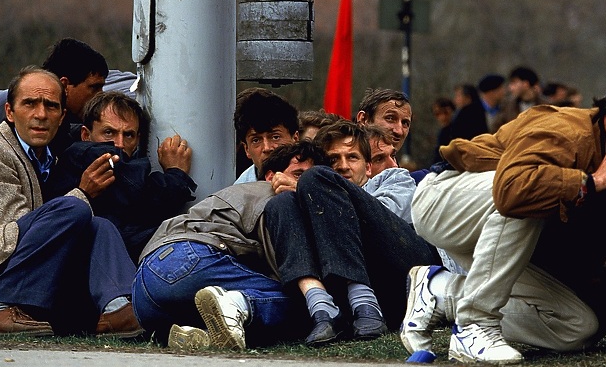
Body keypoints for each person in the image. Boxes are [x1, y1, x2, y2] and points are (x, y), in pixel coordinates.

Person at [401, 69, 606, 365]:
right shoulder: (567, 130)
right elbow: (512, 191)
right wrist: (593, 182)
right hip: (445, 201)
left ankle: (439, 291)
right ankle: (475, 325)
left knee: (579, 326)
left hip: (502, 235)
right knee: (531, 194)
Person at [0, 67, 141, 338]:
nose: (41, 114)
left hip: (14, 278)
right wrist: (83, 192)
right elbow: (19, 229)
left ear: (62, 116)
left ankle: (119, 308)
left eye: (51, 106)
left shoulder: (47, 157)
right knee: (76, 208)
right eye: (30, 103)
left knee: (98, 225)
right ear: (10, 112)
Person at [131, 141, 328, 350]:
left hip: (145, 292)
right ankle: (236, 303)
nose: (306, 185)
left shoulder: (238, 191)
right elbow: (285, 269)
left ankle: (201, 335)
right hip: (188, 262)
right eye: (299, 175)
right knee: (305, 303)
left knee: (219, 312)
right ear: (272, 176)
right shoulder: (276, 197)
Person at [264, 121, 438, 346]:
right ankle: (323, 310)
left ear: (367, 167)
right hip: (361, 299)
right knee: (281, 203)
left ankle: (364, 302)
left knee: (313, 181)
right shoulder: (313, 193)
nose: (343, 166)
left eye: (352, 157)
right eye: (333, 160)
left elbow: (387, 223)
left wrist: (318, 188)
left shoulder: (394, 179)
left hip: (409, 275)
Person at [49, 91, 197, 263]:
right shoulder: (84, 153)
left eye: (128, 135)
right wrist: (175, 174)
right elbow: (146, 195)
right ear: (85, 135)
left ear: (137, 139)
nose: (119, 143)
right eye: (109, 132)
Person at [233, 88, 299, 184]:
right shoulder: (237, 194)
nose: (267, 148)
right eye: (256, 140)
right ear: (247, 149)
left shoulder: (317, 179)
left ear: (295, 139)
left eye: (275, 137)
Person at [491, 66, 547, 132]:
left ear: (526, 84)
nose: (510, 87)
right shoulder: (507, 106)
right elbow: (496, 130)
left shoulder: (548, 106)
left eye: (514, 82)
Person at [355, 88, 412, 153]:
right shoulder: (344, 161)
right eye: (390, 118)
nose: (399, 131)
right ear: (364, 119)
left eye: (405, 123)